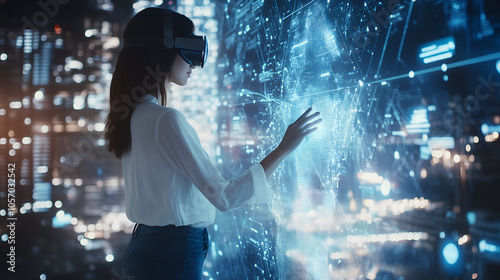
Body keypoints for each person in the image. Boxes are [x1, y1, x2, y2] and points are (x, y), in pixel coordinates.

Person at [104, 7, 322, 280]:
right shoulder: (165, 120)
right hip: (173, 250)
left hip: (147, 246)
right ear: (164, 49)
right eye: (189, 51)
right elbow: (225, 197)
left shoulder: (135, 116)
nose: (194, 64)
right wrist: (283, 149)